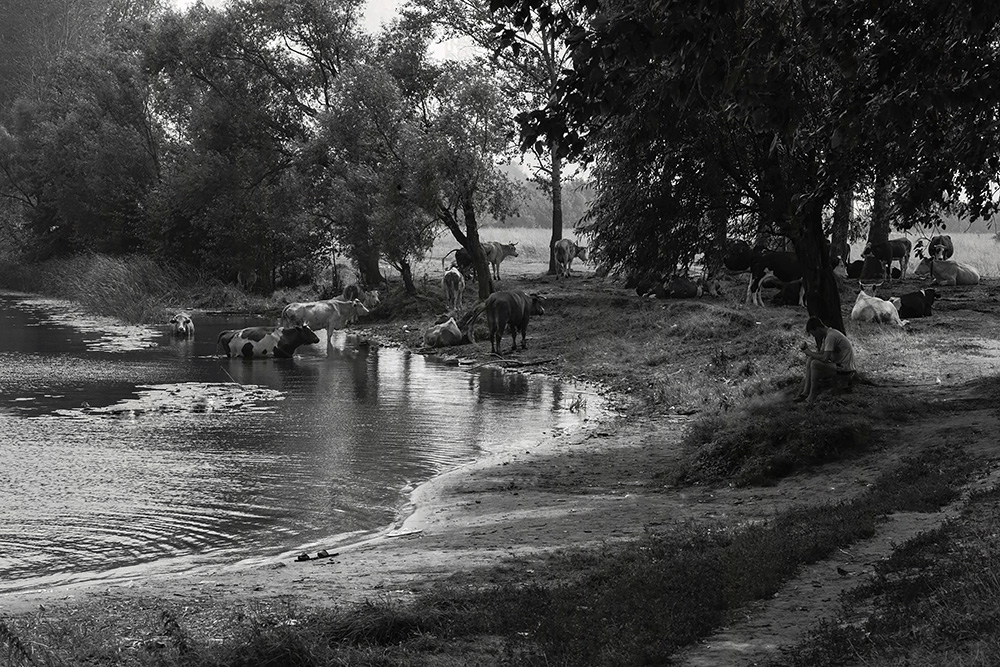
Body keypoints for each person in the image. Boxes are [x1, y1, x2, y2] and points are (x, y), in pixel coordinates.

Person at [795, 316, 856, 402]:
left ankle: (812, 396)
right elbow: (821, 354)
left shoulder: (831, 336)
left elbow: (824, 358)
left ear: (818, 329)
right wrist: (807, 351)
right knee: (810, 360)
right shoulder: (827, 335)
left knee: (815, 364)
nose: (814, 336)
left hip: (845, 369)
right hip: (838, 365)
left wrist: (808, 352)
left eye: (813, 333)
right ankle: (805, 393)